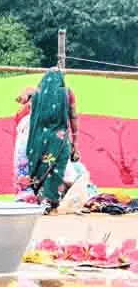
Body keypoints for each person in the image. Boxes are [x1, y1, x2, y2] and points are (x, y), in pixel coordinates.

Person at [13, 69, 91, 207]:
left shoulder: (36, 92)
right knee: (58, 169)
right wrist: (75, 142)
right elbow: (73, 117)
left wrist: (28, 95)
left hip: (35, 137)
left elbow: (19, 100)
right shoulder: (67, 93)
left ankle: (33, 198)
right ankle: (50, 199)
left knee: (35, 166)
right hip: (58, 139)